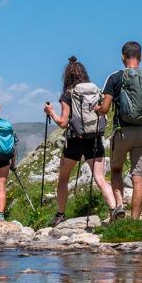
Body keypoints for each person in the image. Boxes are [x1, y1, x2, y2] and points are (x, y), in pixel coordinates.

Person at [42, 56, 117, 226]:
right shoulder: (95, 91)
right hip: (95, 138)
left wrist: (50, 112)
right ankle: (114, 209)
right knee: (100, 177)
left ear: (67, 76)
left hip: (75, 140)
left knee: (63, 178)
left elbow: (63, 123)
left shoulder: (68, 94)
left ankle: (60, 215)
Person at [96, 41, 142, 221]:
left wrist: (98, 109)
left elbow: (104, 109)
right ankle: (134, 221)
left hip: (122, 132)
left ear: (122, 57)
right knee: (138, 176)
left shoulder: (115, 78)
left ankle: (118, 208)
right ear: (141, 57)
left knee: (117, 170)